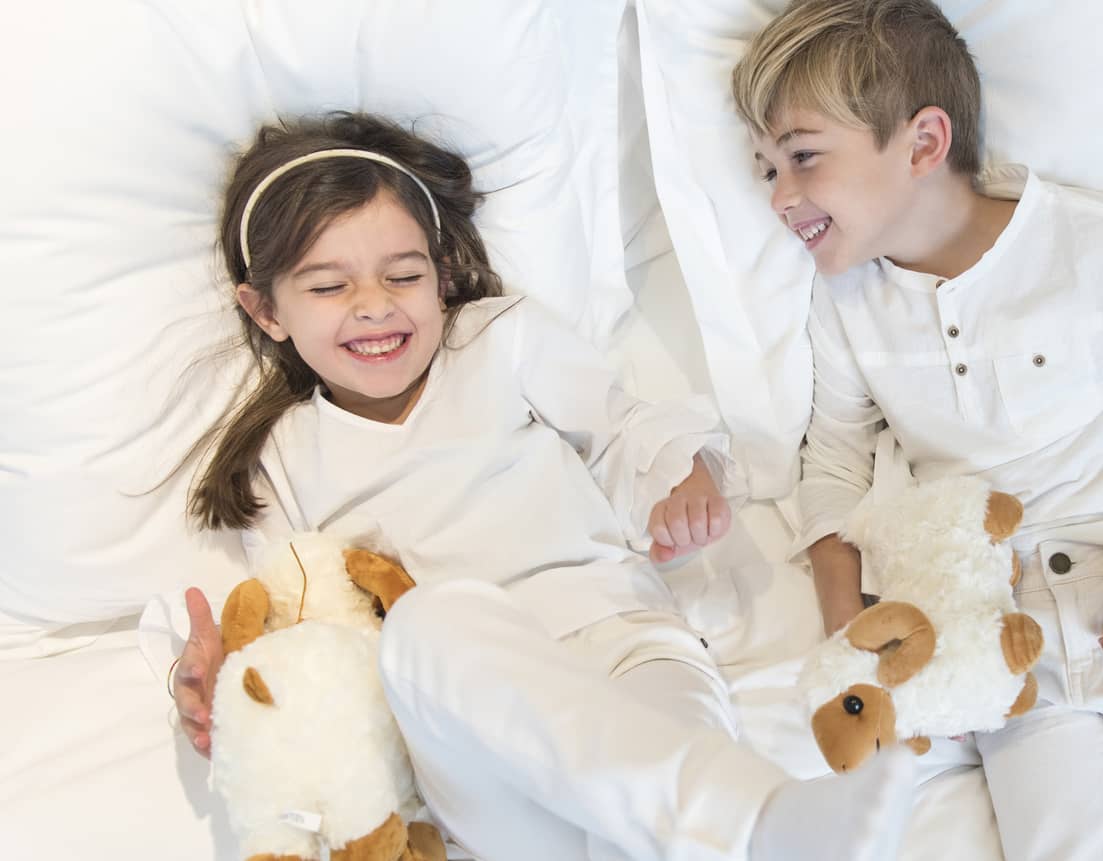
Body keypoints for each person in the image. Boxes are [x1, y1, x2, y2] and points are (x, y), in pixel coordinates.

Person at [168, 111, 915, 861]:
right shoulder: (285, 457)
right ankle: (750, 823)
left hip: (623, 650)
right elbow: (297, 625)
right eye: (330, 286)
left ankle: (753, 821)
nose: (375, 304)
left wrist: (680, 482)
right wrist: (219, 676)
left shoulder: (497, 340)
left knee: (664, 782)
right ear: (265, 311)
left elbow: (620, 424)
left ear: (442, 275)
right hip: (476, 745)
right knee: (428, 623)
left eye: (404, 275)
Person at [733, 2, 1103, 858]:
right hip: (997, 630)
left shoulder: (1097, 240)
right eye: (765, 168)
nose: (780, 197)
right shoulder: (843, 303)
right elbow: (832, 461)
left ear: (923, 143)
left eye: (802, 157)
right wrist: (852, 629)